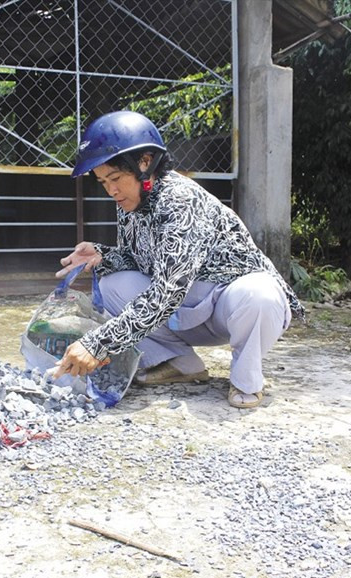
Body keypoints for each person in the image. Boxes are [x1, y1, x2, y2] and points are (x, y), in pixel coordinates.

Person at [52, 110, 305, 408]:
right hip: (188, 308)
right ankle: (180, 364)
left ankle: (246, 379)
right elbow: (141, 260)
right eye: (103, 182)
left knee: (260, 295)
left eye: (116, 178)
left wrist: (97, 344)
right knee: (113, 285)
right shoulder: (131, 203)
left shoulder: (180, 201)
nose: (112, 191)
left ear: (144, 163)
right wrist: (102, 255)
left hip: (230, 304)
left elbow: (167, 292)